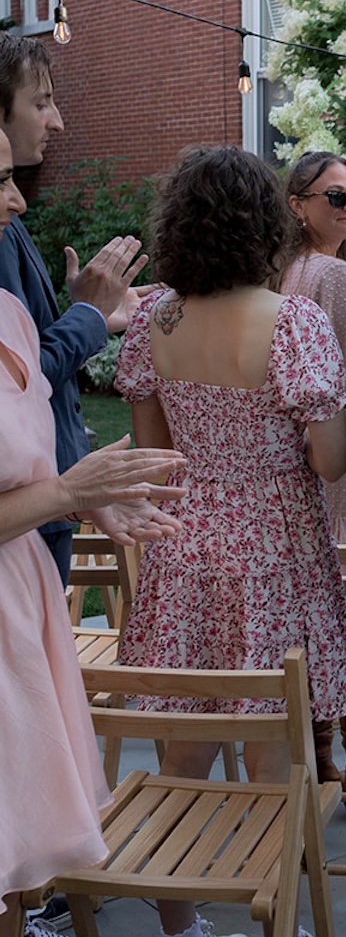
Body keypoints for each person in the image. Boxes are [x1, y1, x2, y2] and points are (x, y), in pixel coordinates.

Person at [114, 145, 346, 937]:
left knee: (180, 749)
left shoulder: (155, 322)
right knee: (271, 756)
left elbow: (156, 459)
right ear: (265, 225)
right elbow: (329, 464)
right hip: (273, 554)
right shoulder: (293, 323)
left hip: (185, 550)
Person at [0, 128, 184, 937]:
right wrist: (68, 493)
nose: (17, 202)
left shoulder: (10, 317)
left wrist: (87, 493)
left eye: (15, 177)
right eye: (0, 180)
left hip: (20, 603)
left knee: (18, 864)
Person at [0, 34, 152, 583]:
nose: (58, 121)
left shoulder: (8, 220)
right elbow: (22, 378)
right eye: (41, 102)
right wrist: (86, 317)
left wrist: (92, 317)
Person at [281, 150, 346, 806]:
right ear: (298, 205)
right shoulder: (340, 278)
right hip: (340, 469)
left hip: (290, 473)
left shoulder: (277, 273)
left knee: (310, 628)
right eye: (336, 197)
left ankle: (322, 760)